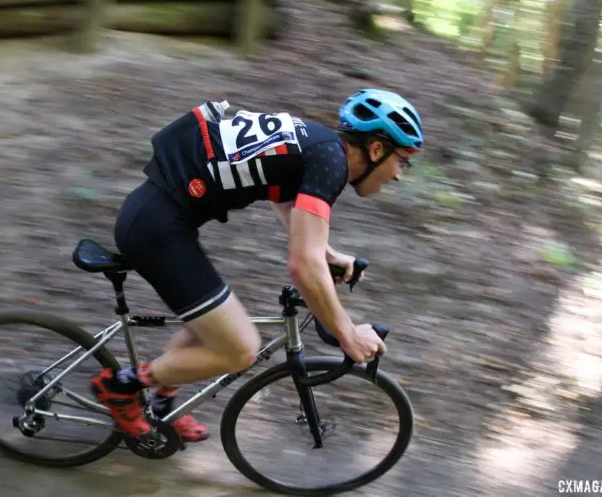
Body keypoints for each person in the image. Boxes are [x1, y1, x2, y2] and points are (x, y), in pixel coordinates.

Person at [91, 88, 425, 442]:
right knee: (239, 348)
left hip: (160, 217)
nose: (399, 175)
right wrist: (348, 334)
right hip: (156, 228)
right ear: (376, 149)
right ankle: (120, 386)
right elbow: (302, 265)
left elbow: (284, 201)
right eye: (402, 161)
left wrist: (327, 253)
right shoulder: (331, 163)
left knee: (219, 322)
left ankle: (162, 407)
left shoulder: (320, 145)